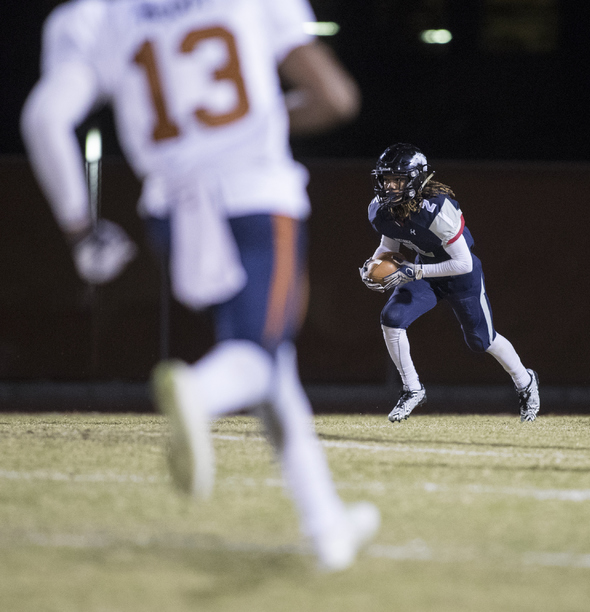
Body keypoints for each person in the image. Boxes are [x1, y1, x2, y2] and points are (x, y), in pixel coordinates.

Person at [22, 0, 379, 571]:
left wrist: (80, 230)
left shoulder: (94, 16)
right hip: (256, 199)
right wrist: (264, 118)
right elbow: (336, 97)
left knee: (270, 359)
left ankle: (325, 525)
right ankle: (202, 393)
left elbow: (44, 119)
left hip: (176, 212)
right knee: (254, 355)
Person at [359, 143, 540, 423]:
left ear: (416, 179)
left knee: (482, 340)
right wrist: (374, 264)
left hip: (459, 275)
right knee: (391, 318)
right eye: (387, 179)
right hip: (421, 269)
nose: (391, 186)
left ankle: (525, 381)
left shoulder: (438, 209)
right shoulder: (380, 208)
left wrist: (413, 273)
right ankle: (412, 389)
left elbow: (463, 263)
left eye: (398, 179)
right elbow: (389, 243)